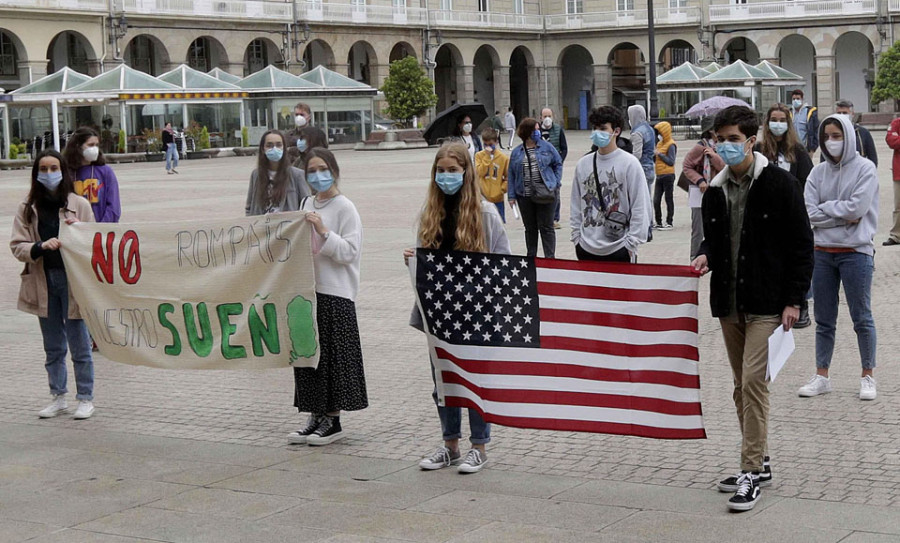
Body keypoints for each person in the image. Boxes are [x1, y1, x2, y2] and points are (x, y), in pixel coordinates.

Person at [691, 106, 813, 512]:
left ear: (750, 140)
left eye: (731, 138)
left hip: (768, 302)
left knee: (754, 383)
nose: (723, 146)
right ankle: (759, 462)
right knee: (741, 388)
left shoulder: (779, 184)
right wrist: (706, 255)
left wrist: (795, 300)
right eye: (718, 138)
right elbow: (714, 240)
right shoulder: (714, 192)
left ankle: (748, 471)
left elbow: (801, 244)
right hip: (729, 302)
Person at [403, 141, 511, 474]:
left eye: (452, 170)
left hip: (476, 312)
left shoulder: (485, 213)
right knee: (443, 378)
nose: (446, 176)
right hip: (439, 310)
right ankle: (450, 443)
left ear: (465, 172)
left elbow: (503, 261)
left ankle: (479, 446)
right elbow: (425, 256)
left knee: (475, 379)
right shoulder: (429, 213)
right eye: (440, 171)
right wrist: (414, 259)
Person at [288, 147, 367, 445]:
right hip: (307, 291)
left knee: (332, 357)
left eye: (323, 169)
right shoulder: (306, 202)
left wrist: (323, 231)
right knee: (309, 356)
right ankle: (314, 414)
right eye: (311, 171)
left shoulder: (345, 207)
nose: (317, 176)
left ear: (333, 170)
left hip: (335, 292)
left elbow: (350, 252)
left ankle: (332, 419)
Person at [797, 114, 879, 401]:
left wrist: (827, 213)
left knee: (862, 317)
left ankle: (868, 375)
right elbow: (809, 212)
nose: (831, 142)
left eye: (837, 135)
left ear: (849, 136)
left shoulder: (866, 169)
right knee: (824, 318)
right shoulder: (817, 173)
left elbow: (857, 210)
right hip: (822, 254)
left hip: (856, 253)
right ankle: (822, 375)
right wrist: (840, 218)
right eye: (827, 136)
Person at [10, 150, 97, 420]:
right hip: (43, 280)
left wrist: (79, 228)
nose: (49, 174)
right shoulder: (28, 208)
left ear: (63, 171)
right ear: (36, 172)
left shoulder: (78, 203)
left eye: (54, 168)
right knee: (53, 346)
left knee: (80, 344)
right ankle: (58, 396)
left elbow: (96, 242)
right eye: (44, 169)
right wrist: (39, 246)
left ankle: (85, 398)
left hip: (73, 282)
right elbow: (17, 245)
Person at [756, 103, 815, 328]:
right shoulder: (760, 150)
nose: (778, 124)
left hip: (792, 215)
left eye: (782, 120)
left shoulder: (797, 152)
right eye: (774, 119)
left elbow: (808, 182)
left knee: (797, 260)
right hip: (765, 217)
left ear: (788, 123)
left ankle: (802, 303)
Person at [570, 105, 651, 262]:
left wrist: (631, 244)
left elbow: (640, 206)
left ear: (616, 131)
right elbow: (575, 203)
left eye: (602, 128)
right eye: (594, 128)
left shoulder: (630, 164)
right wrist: (576, 238)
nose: (597, 133)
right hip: (586, 247)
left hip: (620, 247)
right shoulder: (583, 164)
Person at [508, 118, 563, 258]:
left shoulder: (547, 147)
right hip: (524, 195)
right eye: (535, 130)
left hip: (546, 193)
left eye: (538, 129)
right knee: (530, 229)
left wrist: (556, 182)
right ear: (526, 132)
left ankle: (550, 259)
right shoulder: (516, 152)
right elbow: (511, 174)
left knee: (547, 228)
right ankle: (531, 258)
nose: (537, 132)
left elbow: (558, 163)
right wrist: (511, 196)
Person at [682, 117, 724, 261]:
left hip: (718, 190)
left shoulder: (723, 146)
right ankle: (695, 257)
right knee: (698, 228)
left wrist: (714, 156)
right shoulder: (700, 147)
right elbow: (686, 166)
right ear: (711, 131)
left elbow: (725, 168)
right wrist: (699, 180)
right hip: (699, 193)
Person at [63, 126, 121, 224]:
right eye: (90, 145)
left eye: (96, 145)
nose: (94, 149)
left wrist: (99, 229)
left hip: (101, 232)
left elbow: (113, 207)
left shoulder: (105, 171)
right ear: (78, 146)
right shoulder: (67, 172)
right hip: (74, 230)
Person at [246, 130, 310, 216]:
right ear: (262, 149)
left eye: (278, 145)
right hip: (262, 227)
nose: (274, 148)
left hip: (288, 227)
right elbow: (249, 206)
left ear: (284, 147)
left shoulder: (297, 175)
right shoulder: (256, 174)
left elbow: (307, 206)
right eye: (269, 145)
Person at [540, 107, 568, 229]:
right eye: (545, 116)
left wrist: (559, 161)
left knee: (555, 191)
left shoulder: (558, 129)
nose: (547, 119)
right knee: (541, 191)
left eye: (549, 116)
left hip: (555, 167)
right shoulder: (537, 131)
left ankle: (555, 218)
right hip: (541, 166)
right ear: (540, 118)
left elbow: (564, 148)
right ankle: (543, 218)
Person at [829, 99, 878, 166]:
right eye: (839, 113)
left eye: (845, 113)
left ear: (852, 114)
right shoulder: (830, 133)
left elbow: (872, 157)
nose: (842, 115)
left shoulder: (863, 132)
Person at [474, 128, 509, 222]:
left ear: (496, 142)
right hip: (483, 197)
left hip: (497, 198)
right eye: (485, 145)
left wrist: (502, 189)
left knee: (499, 222)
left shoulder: (503, 158)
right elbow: (479, 172)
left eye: (490, 145)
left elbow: (508, 177)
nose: (488, 147)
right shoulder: (479, 156)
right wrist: (487, 157)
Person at [653, 121, 677, 230]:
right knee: (656, 200)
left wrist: (660, 154)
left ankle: (669, 222)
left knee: (668, 198)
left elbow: (671, 161)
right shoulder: (659, 144)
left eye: (660, 132)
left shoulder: (671, 144)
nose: (658, 135)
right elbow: (656, 160)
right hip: (659, 175)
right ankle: (658, 222)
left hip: (668, 175)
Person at [789, 89, 819, 155]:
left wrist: (813, 147)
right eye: (793, 99)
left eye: (798, 98)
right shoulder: (789, 113)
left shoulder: (810, 112)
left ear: (802, 99)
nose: (795, 101)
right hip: (792, 148)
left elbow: (816, 130)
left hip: (806, 148)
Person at [885, 115, 900, 246]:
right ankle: (896, 235)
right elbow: (891, 141)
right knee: (898, 206)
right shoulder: (896, 123)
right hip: (899, 172)